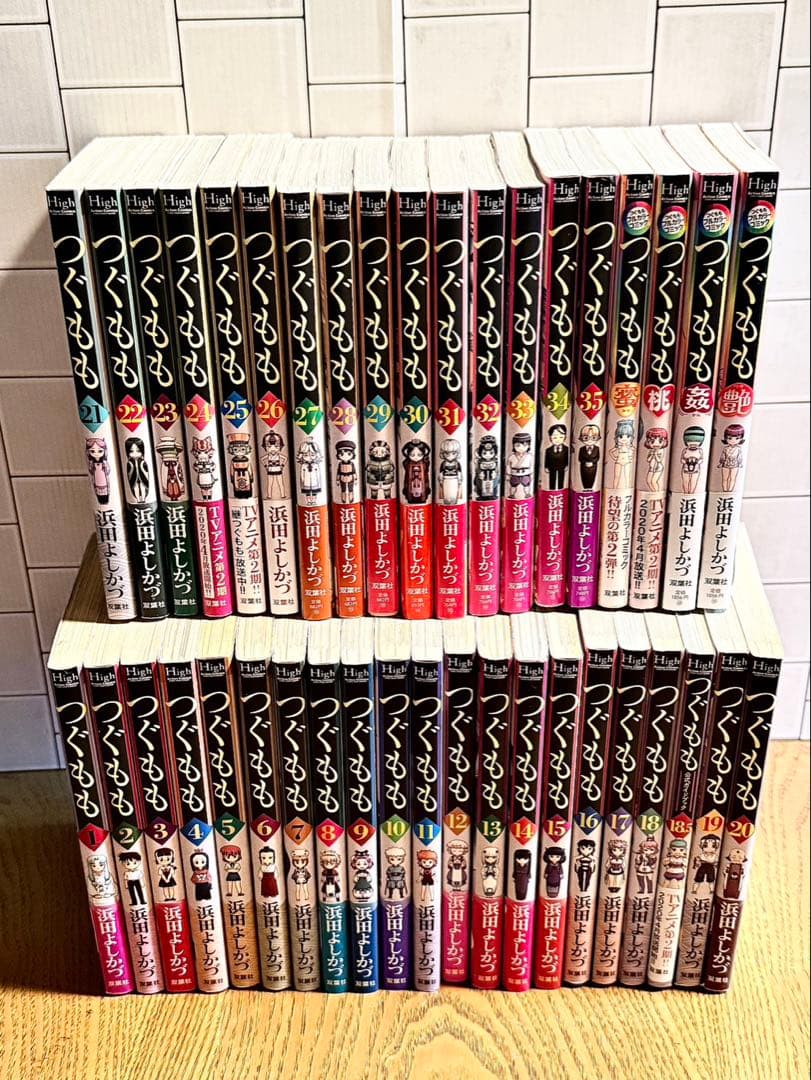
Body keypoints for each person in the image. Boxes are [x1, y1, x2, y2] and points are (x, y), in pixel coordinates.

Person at [719, 423, 745, 492]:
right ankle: (725, 491)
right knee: (725, 478)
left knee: (733, 478)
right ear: (726, 438)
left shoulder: (738, 449)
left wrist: (740, 463)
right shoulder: (725, 449)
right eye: (730, 438)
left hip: (735, 465)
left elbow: (740, 457)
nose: (733, 441)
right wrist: (721, 463)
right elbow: (723, 456)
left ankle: (730, 491)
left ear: (741, 438)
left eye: (737, 438)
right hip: (725, 465)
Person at [544, 424, 569, 489]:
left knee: (561, 478)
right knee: (552, 479)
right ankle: (552, 489)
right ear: (550, 438)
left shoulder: (566, 449)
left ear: (565, 437)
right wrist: (546, 467)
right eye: (555, 437)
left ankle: (561, 488)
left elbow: (567, 458)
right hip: (552, 467)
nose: (558, 440)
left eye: (561, 437)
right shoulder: (548, 450)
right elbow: (547, 459)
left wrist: (567, 465)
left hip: (562, 467)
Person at [578, 424, 601, 490]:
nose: (589, 440)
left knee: (592, 479)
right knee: (584, 479)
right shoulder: (582, 449)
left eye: (593, 438)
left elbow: (597, 457)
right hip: (584, 468)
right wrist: (585, 462)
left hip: (593, 468)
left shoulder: (597, 448)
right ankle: (585, 488)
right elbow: (580, 458)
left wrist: (592, 462)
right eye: (586, 438)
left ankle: (590, 488)